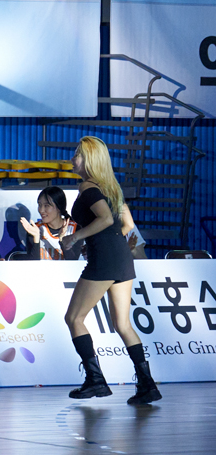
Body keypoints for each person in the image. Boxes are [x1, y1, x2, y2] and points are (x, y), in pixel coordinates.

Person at [61, 136, 160, 405]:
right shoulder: (111, 187)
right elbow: (126, 225)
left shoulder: (88, 188)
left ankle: (95, 380)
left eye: (77, 154)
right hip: (122, 258)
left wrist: (76, 237)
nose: (72, 159)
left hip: (105, 260)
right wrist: (99, 241)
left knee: (74, 318)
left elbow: (105, 218)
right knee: (123, 324)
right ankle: (147, 385)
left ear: (89, 159)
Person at [19, 186, 81, 261]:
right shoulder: (35, 229)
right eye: (39, 205)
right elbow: (33, 264)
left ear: (59, 208)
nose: (41, 210)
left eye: (46, 206)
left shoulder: (75, 228)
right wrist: (36, 238)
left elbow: (73, 262)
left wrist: (62, 239)